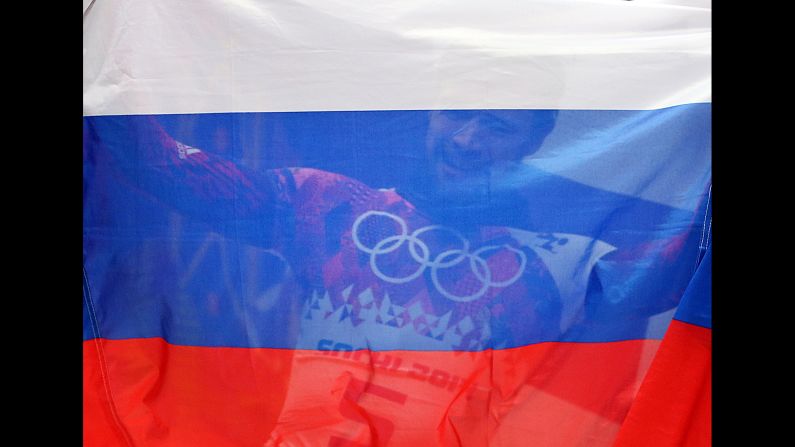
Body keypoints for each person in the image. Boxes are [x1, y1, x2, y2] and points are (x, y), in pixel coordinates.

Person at [84, 109, 703, 445]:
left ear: (535, 141)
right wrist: (109, 74)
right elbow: (160, 168)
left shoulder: (558, 260)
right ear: (428, 114)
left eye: (496, 125)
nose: (466, 138)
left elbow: (676, 275)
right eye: (456, 115)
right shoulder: (330, 207)